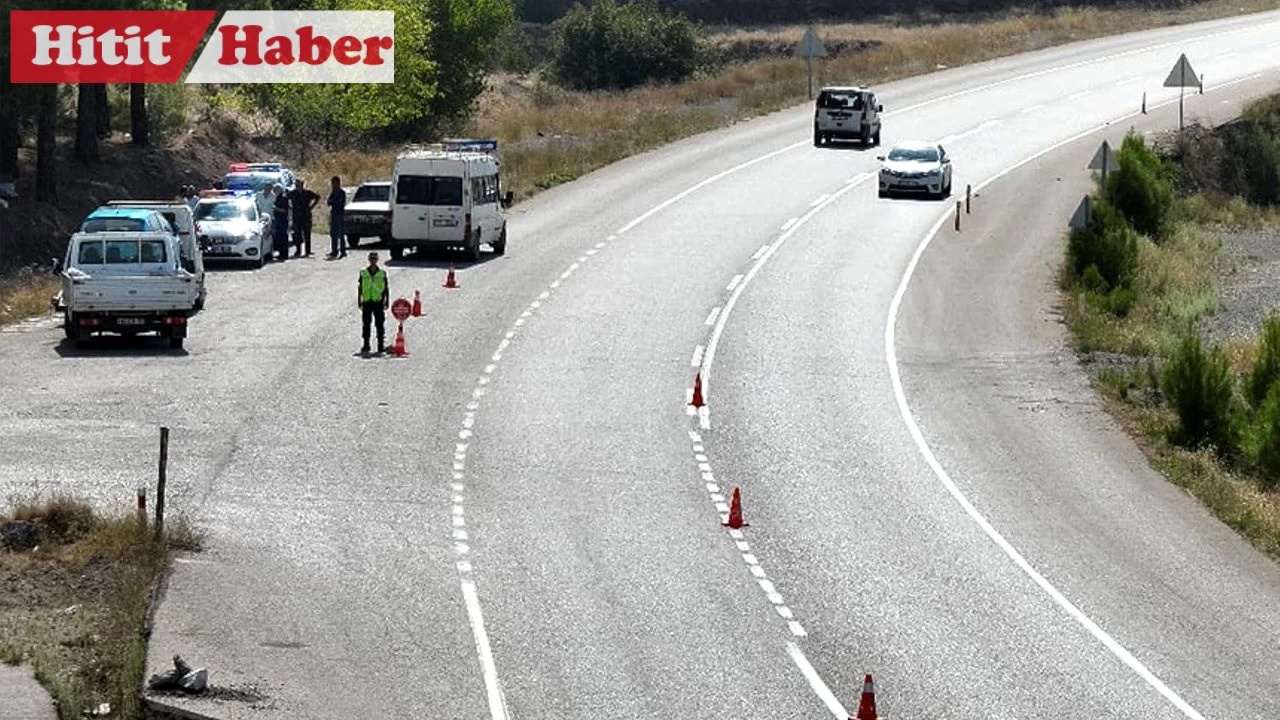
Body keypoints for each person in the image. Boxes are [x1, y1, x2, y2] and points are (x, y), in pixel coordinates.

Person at [357, 251, 389, 354]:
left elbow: (386, 288)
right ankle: (366, 345)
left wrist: (387, 300)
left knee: (379, 324)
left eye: (374, 259)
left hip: (378, 301)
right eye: (371, 259)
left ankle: (380, 345)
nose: (373, 261)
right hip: (367, 301)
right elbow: (360, 287)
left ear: (377, 260)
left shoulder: (382, 273)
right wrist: (359, 300)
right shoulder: (363, 272)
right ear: (369, 260)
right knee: (366, 324)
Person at [289, 179, 321, 258]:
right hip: (296, 217)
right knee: (297, 235)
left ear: (302, 185)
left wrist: (312, 207)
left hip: (306, 216)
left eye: (299, 185)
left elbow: (317, 197)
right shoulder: (292, 194)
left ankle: (308, 251)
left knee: (307, 234)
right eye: (296, 185)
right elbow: (286, 199)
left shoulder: (307, 193)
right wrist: (290, 207)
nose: (297, 186)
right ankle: (298, 250)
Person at [327, 175, 347, 259]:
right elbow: (328, 202)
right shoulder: (333, 192)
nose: (332, 184)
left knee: (340, 233)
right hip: (334, 214)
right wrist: (332, 201)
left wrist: (333, 202)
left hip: (339, 215)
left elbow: (340, 203)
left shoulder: (341, 192)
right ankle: (334, 250)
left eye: (334, 183)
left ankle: (343, 251)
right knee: (333, 234)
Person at [271, 184, 290, 262]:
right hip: (278, 220)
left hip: (282, 220)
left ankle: (284, 254)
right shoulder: (276, 198)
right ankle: (280, 253)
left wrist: (276, 208)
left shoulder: (283, 198)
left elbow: (285, 210)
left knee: (283, 237)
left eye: (276, 190)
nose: (274, 191)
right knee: (278, 237)